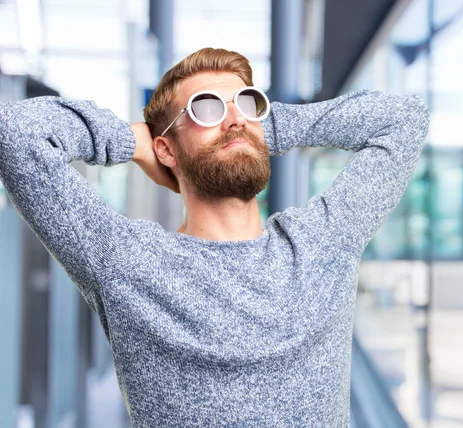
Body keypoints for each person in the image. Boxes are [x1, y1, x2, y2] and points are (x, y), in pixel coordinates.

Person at [0, 47, 429, 426]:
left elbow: (404, 120)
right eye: (207, 108)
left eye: (248, 102)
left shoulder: (321, 242)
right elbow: (17, 134)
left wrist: (263, 129)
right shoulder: (126, 262)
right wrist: (131, 141)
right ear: (166, 150)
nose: (236, 117)